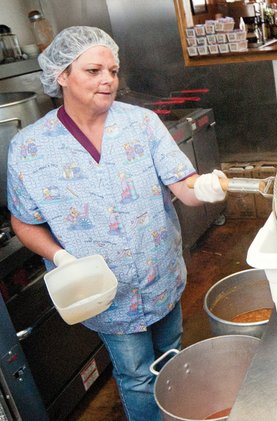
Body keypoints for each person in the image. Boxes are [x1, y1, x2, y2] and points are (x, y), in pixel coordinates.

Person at [5, 26, 226, 421]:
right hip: (105, 293)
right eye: (93, 71)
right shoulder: (30, 148)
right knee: (136, 374)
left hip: (159, 274)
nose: (108, 79)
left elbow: (185, 186)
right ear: (61, 76)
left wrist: (204, 187)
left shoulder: (140, 124)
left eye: (113, 70)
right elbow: (23, 222)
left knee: (172, 354)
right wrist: (60, 257)